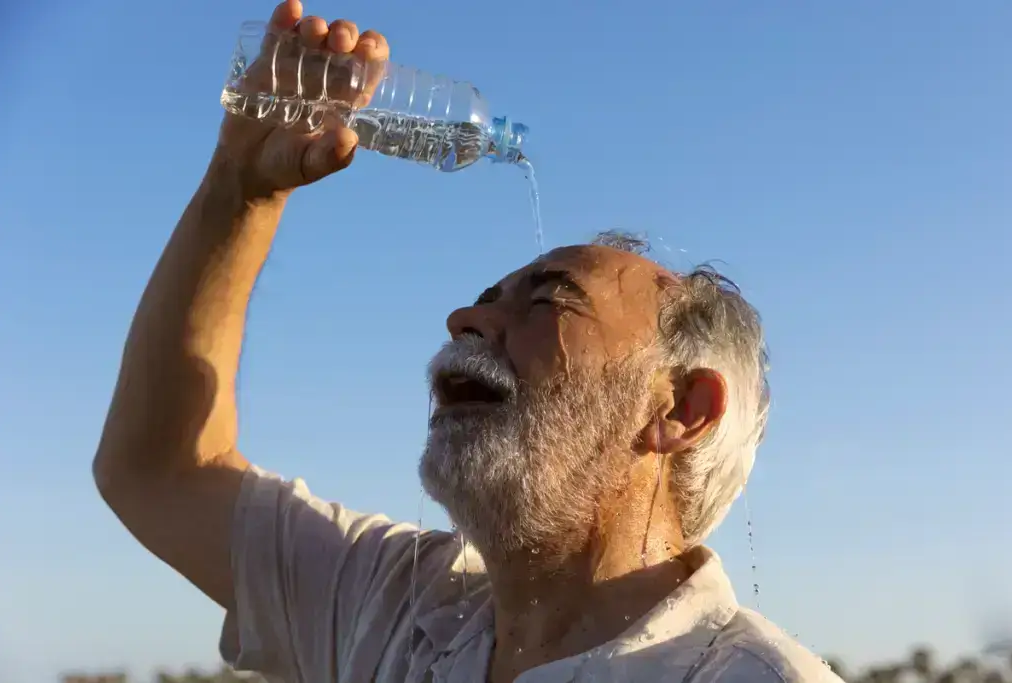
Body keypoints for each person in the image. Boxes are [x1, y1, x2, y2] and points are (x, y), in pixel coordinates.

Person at [93, 2, 844, 681]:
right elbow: (158, 468)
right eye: (484, 300)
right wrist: (240, 187)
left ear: (681, 408)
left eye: (550, 299)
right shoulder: (395, 605)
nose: (463, 319)